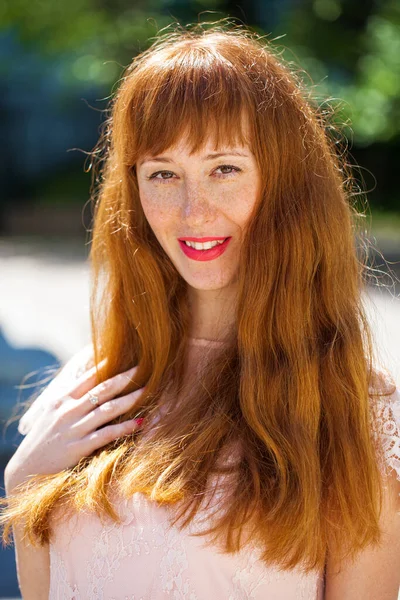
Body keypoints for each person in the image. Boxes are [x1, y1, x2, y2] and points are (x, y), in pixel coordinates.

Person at [2, 19, 400, 600]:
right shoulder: (92, 382)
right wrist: (24, 480)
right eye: (163, 174)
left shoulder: (355, 409)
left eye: (224, 169)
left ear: (285, 184)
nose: (192, 211)